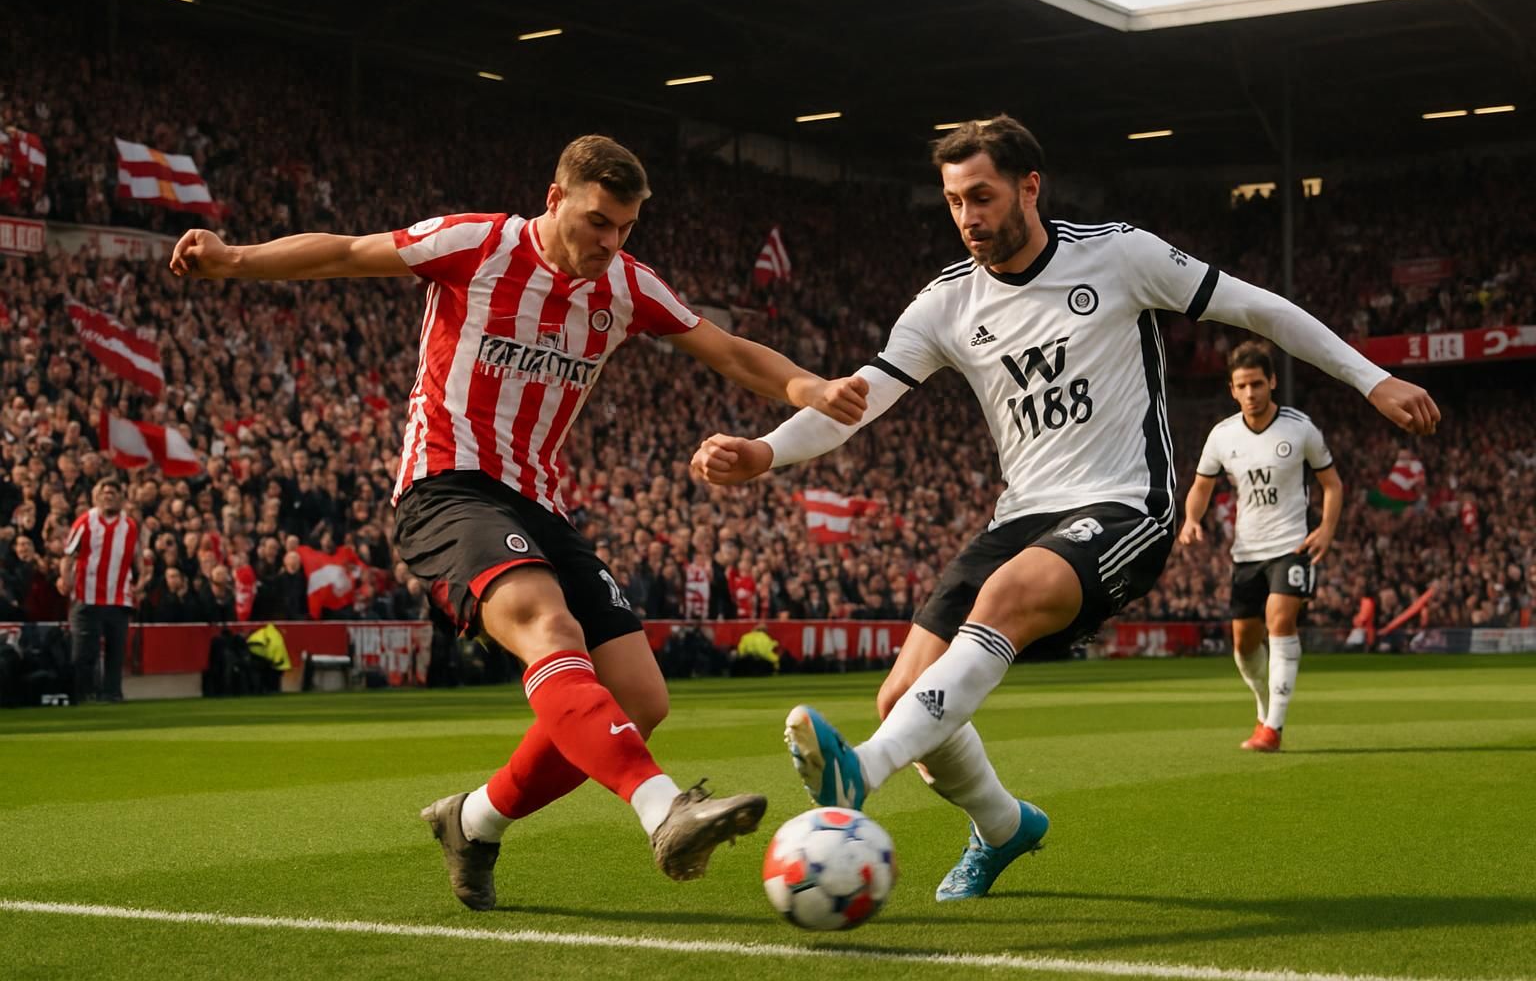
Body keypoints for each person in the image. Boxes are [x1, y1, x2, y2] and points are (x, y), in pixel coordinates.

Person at [691, 116, 1439, 902]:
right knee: (902, 698)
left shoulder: (1119, 254)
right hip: (1020, 516)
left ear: (1030, 186)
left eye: (982, 196)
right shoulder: (945, 303)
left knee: (1001, 602)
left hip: (1127, 505)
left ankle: (862, 769)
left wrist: (1371, 378)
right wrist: (767, 450)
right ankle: (1005, 826)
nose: (969, 216)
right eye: (953, 202)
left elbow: (1263, 311)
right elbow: (862, 397)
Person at [168, 133, 868, 909]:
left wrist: (807, 386)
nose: (610, 242)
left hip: (539, 501)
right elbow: (346, 251)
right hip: (446, 485)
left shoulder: (628, 287)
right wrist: (234, 259)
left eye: (625, 228)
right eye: (598, 221)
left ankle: (471, 822)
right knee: (548, 626)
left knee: (641, 698)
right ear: (556, 197)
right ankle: (664, 809)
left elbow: (727, 349)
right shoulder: (478, 243)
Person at [1179, 341, 1343, 752]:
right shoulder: (1222, 436)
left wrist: (1326, 528)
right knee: (1243, 643)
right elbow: (1201, 485)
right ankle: (1263, 709)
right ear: (1232, 390)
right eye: (1242, 386)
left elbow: (1332, 484)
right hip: (1246, 552)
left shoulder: (1299, 428)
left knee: (1280, 621)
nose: (1250, 393)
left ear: (1272, 382)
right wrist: (1192, 519)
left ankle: (1273, 728)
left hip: (1292, 544)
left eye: (1257, 383)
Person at [58, 478, 138, 702]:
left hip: (118, 597)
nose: (108, 497)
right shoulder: (85, 522)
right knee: (84, 651)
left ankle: (112, 693)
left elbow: (137, 558)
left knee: (116, 651)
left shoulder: (130, 526)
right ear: (97, 497)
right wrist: (65, 578)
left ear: (121, 498)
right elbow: (69, 554)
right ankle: (83, 694)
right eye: (105, 493)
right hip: (87, 595)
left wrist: (140, 582)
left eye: (113, 493)